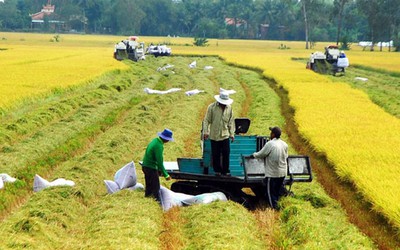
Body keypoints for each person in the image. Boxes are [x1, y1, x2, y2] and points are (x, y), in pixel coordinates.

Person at [251, 126, 288, 210]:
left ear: (273, 134)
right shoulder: (284, 144)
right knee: (277, 191)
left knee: (270, 192)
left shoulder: (270, 144)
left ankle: (274, 209)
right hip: (282, 173)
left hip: (272, 174)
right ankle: (278, 206)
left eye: (271, 133)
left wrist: (253, 155)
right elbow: (286, 156)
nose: (270, 134)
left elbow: (261, 154)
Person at [203, 92, 235, 176]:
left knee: (226, 152)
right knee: (216, 153)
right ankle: (217, 170)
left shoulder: (229, 108)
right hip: (214, 135)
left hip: (225, 134)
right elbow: (206, 120)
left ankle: (225, 171)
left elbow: (231, 122)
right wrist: (206, 132)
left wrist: (232, 134)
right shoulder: (212, 107)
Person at [142, 128, 173, 202]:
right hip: (150, 168)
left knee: (149, 186)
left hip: (145, 166)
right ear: (166, 139)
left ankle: (147, 199)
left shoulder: (155, 140)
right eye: (168, 139)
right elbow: (159, 161)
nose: (168, 141)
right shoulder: (158, 146)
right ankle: (157, 202)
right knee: (156, 187)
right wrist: (166, 175)